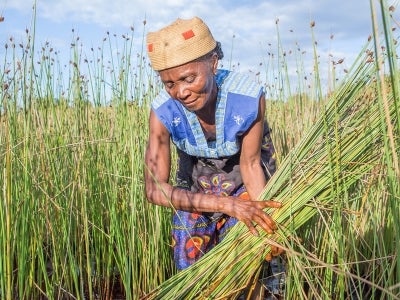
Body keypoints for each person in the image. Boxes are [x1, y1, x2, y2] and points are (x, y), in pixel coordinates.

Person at [144, 16, 285, 299]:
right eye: (169, 83)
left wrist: (261, 218)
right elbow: (153, 189)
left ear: (213, 63)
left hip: (245, 179)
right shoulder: (163, 112)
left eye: (189, 78)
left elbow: (250, 164)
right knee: (189, 245)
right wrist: (223, 204)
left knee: (248, 252)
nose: (180, 92)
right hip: (197, 185)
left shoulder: (245, 98)